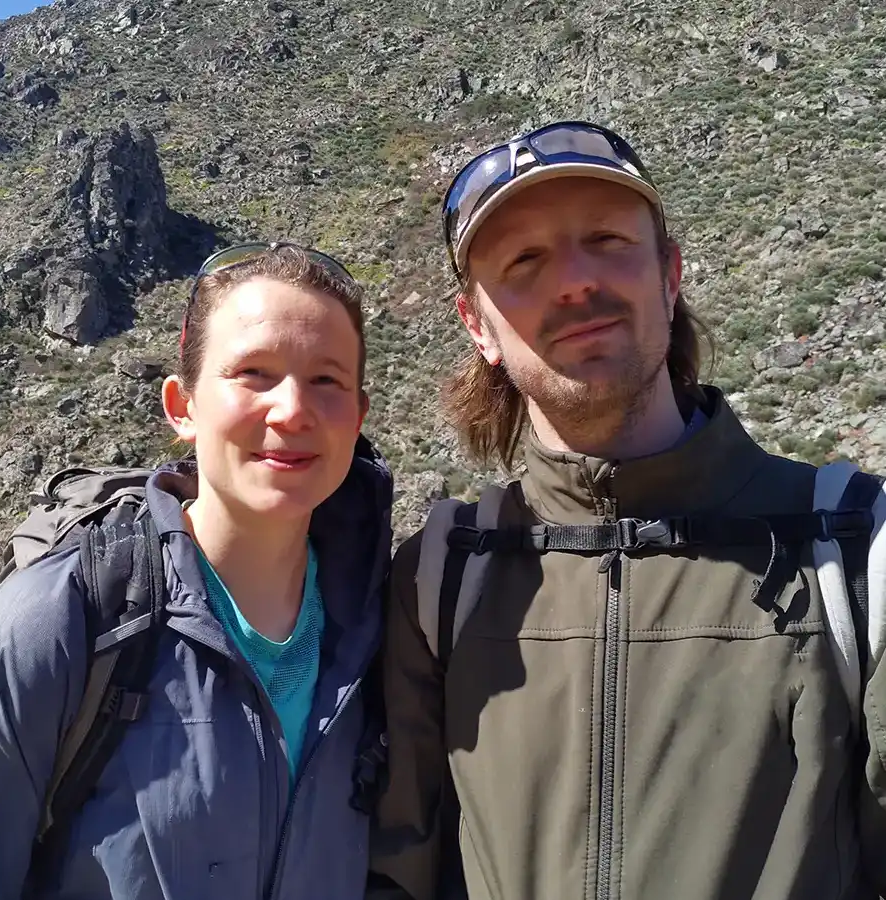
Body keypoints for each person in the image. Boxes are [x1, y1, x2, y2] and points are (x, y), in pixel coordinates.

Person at [367, 122, 886, 900]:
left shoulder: (852, 550)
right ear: (478, 326)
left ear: (669, 275)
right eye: (525, 261)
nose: (574, 280)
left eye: (606, 239)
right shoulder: (443, 577)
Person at [0, 242, 392, 900]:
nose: (292, 410)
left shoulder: (387, 634)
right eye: (254, 373)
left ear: (358, 418)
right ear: (183, 406)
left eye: (327, 380)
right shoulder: (61, 625)